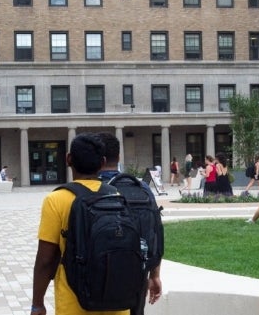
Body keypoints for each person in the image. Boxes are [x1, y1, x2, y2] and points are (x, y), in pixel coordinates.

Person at [32, 133, 161, 315]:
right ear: (102, 162)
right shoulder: (117, 196)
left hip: (75, 304)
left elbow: (45, 260)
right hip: (117, 302)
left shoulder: (56, 199)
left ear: (69, 159)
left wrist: (37, 303)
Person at [97, 132, 163, 315]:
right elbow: (154, 230)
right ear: (118, 157)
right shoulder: (141, 188)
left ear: (98, 159)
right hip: (136, 273)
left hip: (97, 275)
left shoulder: (89, 189)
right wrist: (155, 274)